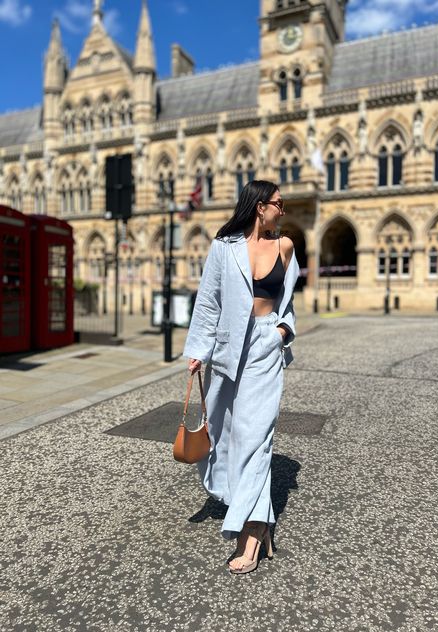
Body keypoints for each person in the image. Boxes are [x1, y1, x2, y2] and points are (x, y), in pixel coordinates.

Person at [183, 180, 300, 574]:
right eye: (278, 204)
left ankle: (250, 534)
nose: (282, 211)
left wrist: (282, 332)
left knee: (254, 436)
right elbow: (209, 299)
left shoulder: (285, 247)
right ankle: (251, 512)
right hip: (228, 348)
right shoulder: (224, 248)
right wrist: (198, 350)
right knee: (225, 431)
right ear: (258, 206)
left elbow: (288, 303)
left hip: (265, 346)